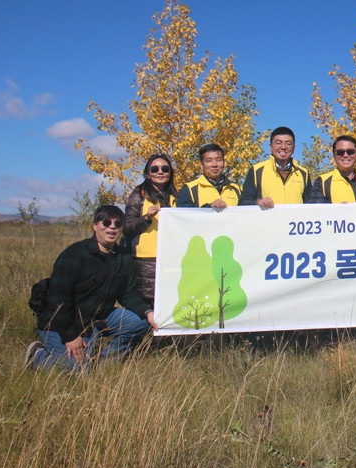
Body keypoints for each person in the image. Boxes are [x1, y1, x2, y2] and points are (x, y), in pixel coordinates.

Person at [24, 205, 157, 371]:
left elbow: (128, 294)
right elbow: (58, 301)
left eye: (118, 223)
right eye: (106, 222)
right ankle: (37, 356)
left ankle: (101, 364)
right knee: (76, 369)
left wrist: (147, 312)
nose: (112, 227)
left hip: (96, 317)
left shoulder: (123, 257)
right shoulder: (74, 255)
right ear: (95, 225)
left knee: (139, 322)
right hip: (60, 322)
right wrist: (71, 336)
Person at [124, 154, 177, 305]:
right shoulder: (138, 195)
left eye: (164, 169)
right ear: (147, 173)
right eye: (154, 169)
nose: (160, 172)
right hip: (146, 259)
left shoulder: (175, 196)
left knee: (169, 300)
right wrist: (146, 218)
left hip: (170, 256)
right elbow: (127, 227)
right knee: (149, 303)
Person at [240, 127, 312, 208]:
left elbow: (311, 205)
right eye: (278, 143)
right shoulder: (256, 171)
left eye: (288, 143)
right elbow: (243, 201)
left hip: (294, 220)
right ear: (271, 147)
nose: (283, 147)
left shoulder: (303, 173)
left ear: (294, 148)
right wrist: (258, 202)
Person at [312, 135, 356, 203]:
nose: (345, 155)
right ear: (334, 155)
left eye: (350, 152)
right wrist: (338, 210)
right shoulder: (323, 182)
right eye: (340, 152)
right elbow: (315, 211)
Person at [178, 143, 242, 209]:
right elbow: (185, 216)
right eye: (209, 161)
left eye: (218, 160)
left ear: (224, 162)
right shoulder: (190, 189)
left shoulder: (236, 189)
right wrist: (209, 207)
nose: (214, 164)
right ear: (201, 165)